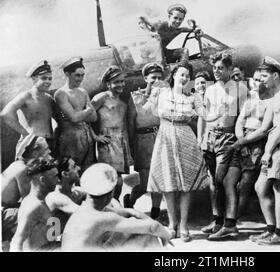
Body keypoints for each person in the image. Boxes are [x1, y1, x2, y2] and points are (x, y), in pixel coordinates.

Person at [146, 61, 223, 242]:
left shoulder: (193, 97)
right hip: (165, 134)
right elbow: (147, 111)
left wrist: (221, 111)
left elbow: (206, 115)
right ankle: (172, 224)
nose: (184, 78)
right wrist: (148, 94)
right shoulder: (163, 92)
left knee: (187, 183)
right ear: (173, 75)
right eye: (181, 74)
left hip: (185, 135)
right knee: (168, 182)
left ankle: (183, 225)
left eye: (187, 76)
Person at [232, 57, 280, 244]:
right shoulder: (273, 98)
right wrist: (241, 142)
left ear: (275, 75)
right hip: (272, 143)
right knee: (260, 187)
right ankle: (271, 229)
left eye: (264, 76)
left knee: (279, 186)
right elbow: (262, 129)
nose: (261, 81)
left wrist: (268, 151)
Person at [61, 163, 171, 252]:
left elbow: (130, 212)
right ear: (111, 194)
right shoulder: (102, 218)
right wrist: (166, 235)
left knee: (131, 231)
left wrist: (151, 224)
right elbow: (153, 227)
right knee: (147, 236)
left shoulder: (87, 210)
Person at [200, 51, 248, 240]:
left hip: (229, 138)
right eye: (214, 68)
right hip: (212, 137)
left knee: (224, 180)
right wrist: (203, 138)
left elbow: (243, 118)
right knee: (215, 181)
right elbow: (205, 116)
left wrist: (240, 140)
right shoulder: (210, 89)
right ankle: (219, 221)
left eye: (221, 68)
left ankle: (229, 224)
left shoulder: (240, 89)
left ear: (230, 69)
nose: (217, 71)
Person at [124, 62, 165, 218]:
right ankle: (131, 198)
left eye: (159, 78)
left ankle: (155, 211)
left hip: (160, 138)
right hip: (143, 142)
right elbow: (130, 125)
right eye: (153, 77)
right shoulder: (135, 97)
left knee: (159, 179)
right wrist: (132, 149)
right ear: (145, 78)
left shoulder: (164, 96)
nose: (156, 80)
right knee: (146, 182)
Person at [91, 66, 134, 200]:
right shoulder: (101, 98)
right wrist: (96, 137)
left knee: (119, 182)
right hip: (107, 141)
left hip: (121, 141)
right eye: (116, 82)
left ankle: (115, 204)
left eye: (122, 81)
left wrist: (129, 150)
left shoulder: (123, 104)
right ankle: (108, 206)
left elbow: (125, 127)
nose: (120, 85)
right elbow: (86, 119)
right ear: (108, 84)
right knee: (111, 179)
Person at [2, 135, 52, 243]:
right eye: (46, 151)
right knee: (36, 215)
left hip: (6, 208)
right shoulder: (22, 169)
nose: (49, 154)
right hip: (3, 213)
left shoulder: (20, 165)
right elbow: (28, 202)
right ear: (35, 153)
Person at [0, 60, 55, 156]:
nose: (48, 81)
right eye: (44, 78)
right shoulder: (26, 96)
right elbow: (6, 113)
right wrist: (25, 133)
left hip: (48, 144)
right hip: (31, 145)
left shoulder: (48, 98)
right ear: (34, 78)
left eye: (50, 79)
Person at [54, 57, 97, 171]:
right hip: (70, 140)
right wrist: (87, 111)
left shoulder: (83, 92)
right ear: (67, 74)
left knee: (88, 172)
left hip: (86, 139)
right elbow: (74, 118)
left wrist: (82, 115)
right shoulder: (61, 94)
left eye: (83, 75)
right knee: (71, 173)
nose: (81, 79)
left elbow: (94, 118)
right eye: (77, 75)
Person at [10, 157, 59, 252]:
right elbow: (16, 242)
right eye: (55, 176)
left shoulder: (37, 201)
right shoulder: (33, 206)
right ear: (43, 180)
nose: (58, 181)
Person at [45, 157, 84, 233]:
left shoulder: (76, 191)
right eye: (74, 166)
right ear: (65, 174)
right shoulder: (55, 197)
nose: (79, 168)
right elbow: (84, 214)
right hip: (51, 242)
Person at [194, 71, 213, 145]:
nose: (200, 85)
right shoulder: (194, 100)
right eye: (197, 84)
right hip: (200, 137)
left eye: (203, 82)